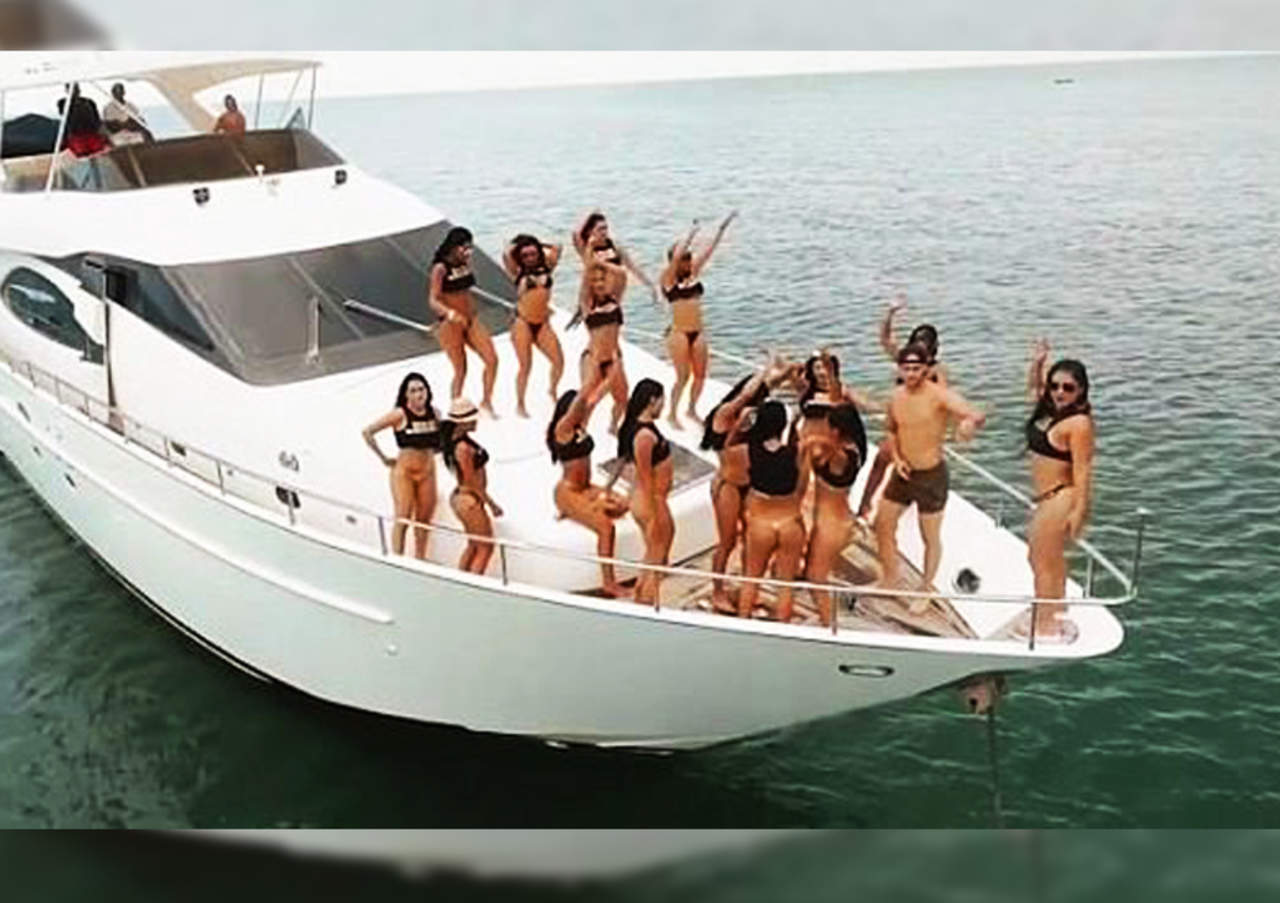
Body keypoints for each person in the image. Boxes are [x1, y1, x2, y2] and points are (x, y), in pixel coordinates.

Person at [874, 342, 986, 614]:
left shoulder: (939, 396)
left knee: (930, 537)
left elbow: (975, 413)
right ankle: (890, 577)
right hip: (903, 472)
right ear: (899, 369)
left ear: (926, 369)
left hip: (931, 476)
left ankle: (926, 589)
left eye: (916, 368)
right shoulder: (895, 397)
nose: (911, 373)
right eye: (907, 368)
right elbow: (891, 430)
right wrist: (897, 459)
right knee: (882, 524)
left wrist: (968, 424)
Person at [699, 357, 792, 612]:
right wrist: (766, 367)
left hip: (748, 485)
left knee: (751, 540)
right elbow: (748, 394)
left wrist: (785, 370)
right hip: (728, 486)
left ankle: (749, 587)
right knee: (727, 541)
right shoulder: (725, 414)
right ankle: (718, 591)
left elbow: (768, 387)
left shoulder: (752, 416)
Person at [1024, 340, 1094, 641]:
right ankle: (1057, 610)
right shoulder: (1052, 411)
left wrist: (1080, 512)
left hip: (1060, 497)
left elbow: (1083, 469)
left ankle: (1045, 625)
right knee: (1050, 560)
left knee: (1040, 561)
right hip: (1047, 499)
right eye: (1054, 386)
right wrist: (1038, 362)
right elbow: (1033, 389)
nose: (1059, 392)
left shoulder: (1079, 424)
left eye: (1068, 388)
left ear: (1081, 391)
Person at [859, 293, 948, 521]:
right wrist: (890, 313)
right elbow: (884, 339)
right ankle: (865, 505)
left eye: (924, 348)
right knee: (882, 461)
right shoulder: (906, 360)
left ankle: (896, 506)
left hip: (919, 427)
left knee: (907, 468)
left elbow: (944, 401)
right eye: (917, 345)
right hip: (898, 423)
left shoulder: (936, 372)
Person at [547, 372, 629, 597]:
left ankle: (580, 509)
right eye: (577, 408)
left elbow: (593, 398)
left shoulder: (580, 426)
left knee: (623, 505)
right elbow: (583, 398)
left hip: (586, 487)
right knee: (606, 528)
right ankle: (609, 582)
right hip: (568, 491)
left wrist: (611, 372)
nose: (583, 410)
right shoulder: (562, 430)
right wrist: (591, 376)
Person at [660, 211, 737, 427]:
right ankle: (672, 413)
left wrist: (721, 229)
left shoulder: (694, 274)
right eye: (684, 258)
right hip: (679, 333)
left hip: (698, 331)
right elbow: (676, 257)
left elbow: (710, 250)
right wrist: (691, 234)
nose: (688, 261)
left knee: (701, 375)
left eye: (688, 257)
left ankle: (692, 409)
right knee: (682, 376)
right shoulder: (667, 279)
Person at [737, 401, 810, 623]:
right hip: (790, 523)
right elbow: (801, 488)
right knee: (786, 586)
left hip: (762, 524)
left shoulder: (750, 451)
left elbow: (733, 439)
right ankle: (783, 627)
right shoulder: (796, 453)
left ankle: (743, 623)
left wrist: (746, 418)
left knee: (751, 580)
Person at [361, 372, 440, 559]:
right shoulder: (399, 414)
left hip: (427, 471)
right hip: (405, 472)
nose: (419, 394)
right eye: (413, 391)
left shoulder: (435, 413)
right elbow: (368, 432)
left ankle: (420, 557)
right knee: (403, 515)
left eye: (421, 389)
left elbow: (439, 441)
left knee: (424, 519)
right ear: (406, 395)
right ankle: (397, 557)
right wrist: (383, 457)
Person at [803, 404, 867, 626]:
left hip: (833, 526)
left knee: (816, 578)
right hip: (832, 520)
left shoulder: (842, 456)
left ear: (836, 431)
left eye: (827, 426)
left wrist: (813, 440)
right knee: (812, 570)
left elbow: (827, 448)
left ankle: (829, 626)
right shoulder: (852, 448)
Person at [612, 379, 675, 605]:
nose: (663, 405)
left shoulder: (637, 428)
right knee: (657, 553)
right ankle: (646, 598)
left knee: (657, 549)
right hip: (650, 498)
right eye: (662, 400)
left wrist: (608, 486)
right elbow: (645, 474)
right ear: (652, 400)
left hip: (653, 497)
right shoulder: (644, 436)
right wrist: (654, 512)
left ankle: (642, 591)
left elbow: (622, 459)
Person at [428, 226, 499, 415]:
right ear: (453, 247)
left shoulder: (465, 263)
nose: (468, 252)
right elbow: (433, 300)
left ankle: (486, 401)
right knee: (461, 369)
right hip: (451, 324)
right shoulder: (440, 268)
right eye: (464, 248)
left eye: (470, 247)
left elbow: (466, 289)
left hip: (471, 319)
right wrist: (450, 314)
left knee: (492, 360)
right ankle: (456, 407)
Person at [503, 233, 565, 418]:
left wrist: (538, 242)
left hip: (542, 323)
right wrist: (518, 244)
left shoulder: (547, 267)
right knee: (525, 365)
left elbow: (558, 247)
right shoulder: (517, 272)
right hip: (523, 322)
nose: (530, 258)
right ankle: (520, 403)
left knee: (558, 361)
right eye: (525, 255)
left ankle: (552, 390)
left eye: (533, 254)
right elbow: (507, 253)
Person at [442, 397, 503, 575]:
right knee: (485, 547)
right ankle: (473, 581)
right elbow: (471, 480)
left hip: (465, 497)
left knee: (474, 544)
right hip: (469, 498)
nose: (476, 421)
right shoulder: (463, 448)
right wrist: (491, 504)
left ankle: (461, 580)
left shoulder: (458, 441)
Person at [578, 262, 629, 434]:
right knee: (589, 400)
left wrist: (601, 263)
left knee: (622, 399)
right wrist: (590, 261)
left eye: (603, 279)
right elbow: (584, 285)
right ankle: (581, 429)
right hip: (594, 358)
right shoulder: (587, 304)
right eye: (595, 280)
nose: (599, 284)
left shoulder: (615, 300)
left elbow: (622, 274)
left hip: (614, 358)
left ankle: (613, 426)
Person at [57, 83, 107, 157]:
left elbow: (96, 118)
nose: (74, 91)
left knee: (99, 153)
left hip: (92, 134)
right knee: (81, 155)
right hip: (76, 136)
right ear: (67, 90)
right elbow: (64, 113)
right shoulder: (63, 103)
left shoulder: (89, 102)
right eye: (71, 89)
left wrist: (101, 131)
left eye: (76, 88)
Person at [102, 82, 152, 146]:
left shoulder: (131, 105)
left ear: (124, 92)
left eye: (120, 92)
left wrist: (138, 121)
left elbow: (139, 120)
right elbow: (110, 124)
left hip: (133, 133)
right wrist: (125, 124)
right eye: (116, 92)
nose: (118, 94)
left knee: (145, 136)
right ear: (113, 94)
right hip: (119, 134)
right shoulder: (108, 108)